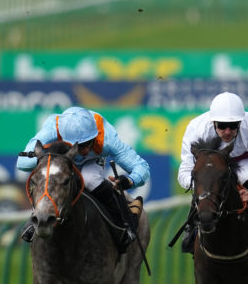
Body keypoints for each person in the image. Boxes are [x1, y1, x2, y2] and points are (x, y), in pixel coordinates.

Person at [17, 106, 149, 252]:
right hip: (62, 159)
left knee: (89, 179)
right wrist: (47, 158)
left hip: (91, 163)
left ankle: (122, 222)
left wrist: (130, 180)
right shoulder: (51, 129)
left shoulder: (107, 138)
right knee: (50, 173)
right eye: (79, 147)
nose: (85, 151)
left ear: (95, 136)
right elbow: (22, 163)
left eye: (89, 143)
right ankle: (36, 216)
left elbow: (142, 167)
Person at [178, 91, 248, 250]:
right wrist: (202, 185)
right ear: (213, 123)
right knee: (205, 183)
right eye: (222, 126)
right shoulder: (196, 129)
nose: (227, 131)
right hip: (212, 167)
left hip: (245, 162)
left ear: (241, 122)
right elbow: (185, 171)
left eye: (233, 126)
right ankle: (191, 228)